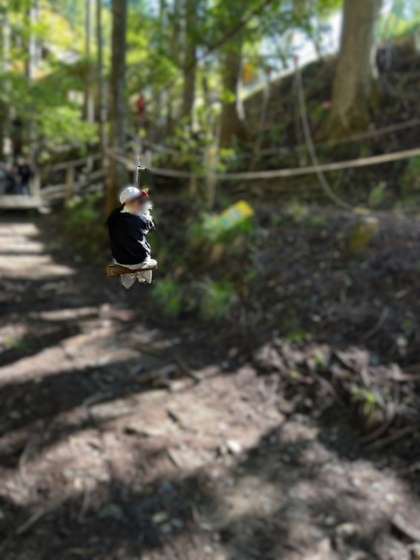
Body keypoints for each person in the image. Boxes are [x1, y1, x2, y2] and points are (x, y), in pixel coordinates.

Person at [106, 186, 157, 290]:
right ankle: (141, 275)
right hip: (140, 259)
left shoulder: (113, 217)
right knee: (144, 252)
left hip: (120, 260)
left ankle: (130, 276)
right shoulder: (140, 218)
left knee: (125, 252)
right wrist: (147, 215)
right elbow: (152, 227)